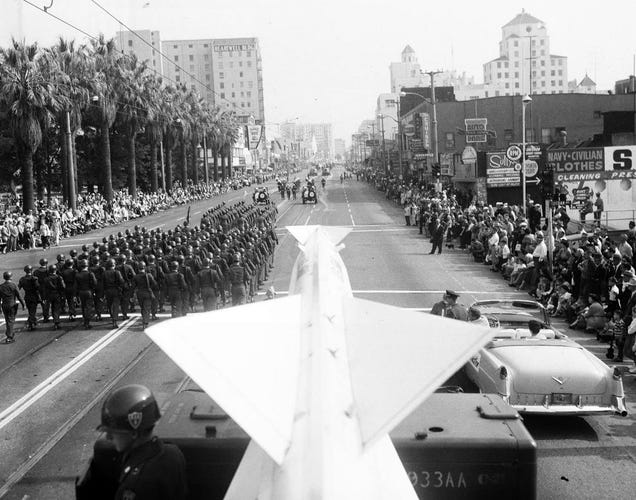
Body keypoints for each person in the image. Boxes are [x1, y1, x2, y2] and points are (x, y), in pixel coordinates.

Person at [75, 384, 187, 500]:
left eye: (113, 432)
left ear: (133, 433)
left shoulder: (134, 486)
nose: (108, 437)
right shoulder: (173, 452)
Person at [0, 271, 25, 343]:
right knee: (11, 320)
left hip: (4, 305)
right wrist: (23, 304)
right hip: (12, 305)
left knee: (7, 320)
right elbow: (19, 296)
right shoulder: (13, 285)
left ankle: (9, 333)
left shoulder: (1, 286)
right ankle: (9, 336)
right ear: (11, 277)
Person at [132, 262, 157, 329]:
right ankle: (145, 322)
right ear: (144, 267)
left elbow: (133, 287)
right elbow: (154, 284)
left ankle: (144, 319)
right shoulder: (149, 275)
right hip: (148, 293)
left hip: (139, 293)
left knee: (143, 307)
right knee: (147, 308)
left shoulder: (136, 276)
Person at [74, 260, 97, 329]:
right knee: (89, 307)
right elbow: (94, 283)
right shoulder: (90, 274)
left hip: (81, 292)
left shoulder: (77, 274)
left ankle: (85, 321)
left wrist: (75, 295)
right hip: (88, 291)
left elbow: (75, 286)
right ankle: (87, 321)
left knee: (83, 307)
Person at [18, 265, 41, 330]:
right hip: (34, 295)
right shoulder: (34, 278)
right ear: (31, 270)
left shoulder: (22, 279)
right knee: (33, 310)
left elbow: (19, 287)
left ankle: (33, 321)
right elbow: (37, 287)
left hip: (27, 296)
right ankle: (31, 323)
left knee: (30, 310)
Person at [44, 264, 65, 330]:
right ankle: (56, 321)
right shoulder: (59, 277)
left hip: (49, 295)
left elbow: (44, 289)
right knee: (56, 308)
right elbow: (63, 287)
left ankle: (52, 318)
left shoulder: (46, 279)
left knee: (52, 308)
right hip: (57, 294)